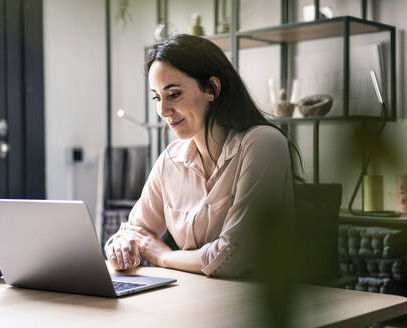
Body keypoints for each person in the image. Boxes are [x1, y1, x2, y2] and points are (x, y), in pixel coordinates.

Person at [104, 34, 300, 278]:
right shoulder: (171, 160)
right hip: (195, 298)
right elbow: (134, 231)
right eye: (157, 97)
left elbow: (233, 258)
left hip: (256, 307)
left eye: (173, 94)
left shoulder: (263, 144)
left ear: (212, 89)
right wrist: (122, 246)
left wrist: (162, 256)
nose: (163, 111)